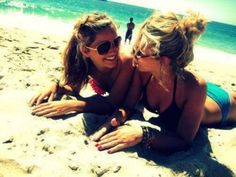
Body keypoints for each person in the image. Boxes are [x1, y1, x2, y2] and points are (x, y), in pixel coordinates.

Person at [91, 11, 236, 154]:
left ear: (163, 60)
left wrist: (143, 134)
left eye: (139, 53)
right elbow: (127, 106)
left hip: (223, 105)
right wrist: (110, 122)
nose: (133, 56)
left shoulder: (195, 87)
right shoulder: (143, 71)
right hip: (186, 86)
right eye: (134, 49)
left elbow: (184, 140)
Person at [29, 12, 134, 117]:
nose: (113, 50)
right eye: (104, 47)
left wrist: (72, 105)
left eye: (116, 41)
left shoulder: (126, 62)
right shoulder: (87, 64)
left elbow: (112, 103)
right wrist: (56, 87)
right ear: (85, 51)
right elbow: (73, 88)